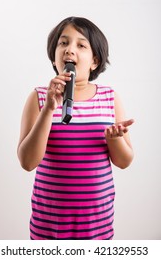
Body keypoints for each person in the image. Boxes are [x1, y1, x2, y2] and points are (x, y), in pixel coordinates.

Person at [17, 16, 134, 240]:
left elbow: (124, 161)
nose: (70, 50)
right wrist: (49, 110)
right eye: (63, 43)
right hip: (49, 224)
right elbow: (27, 162)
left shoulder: (109, 98)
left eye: (81, 45)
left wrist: (114, 139)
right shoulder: (38, 97)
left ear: (94, 61)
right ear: (54, 56)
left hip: (97, 224)